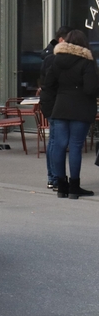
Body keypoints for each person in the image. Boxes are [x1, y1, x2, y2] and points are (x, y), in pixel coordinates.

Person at [43, 29, 99, 199]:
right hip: (81, 108)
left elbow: (48, 85)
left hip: (60, 107)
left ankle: (61, 186)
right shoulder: (87, 61)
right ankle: (74, 186)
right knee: (75, 146)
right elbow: (91, 88)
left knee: (59, 146)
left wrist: (49, 107)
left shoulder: (56, 60)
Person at [40, 26, 72, 190]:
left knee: (54, 140)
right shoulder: (55, 58)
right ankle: (54, 177)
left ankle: (52, 177)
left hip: (50, 102)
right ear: (62, 40)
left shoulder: (49, 56)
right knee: (56, 141)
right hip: (54, 103)